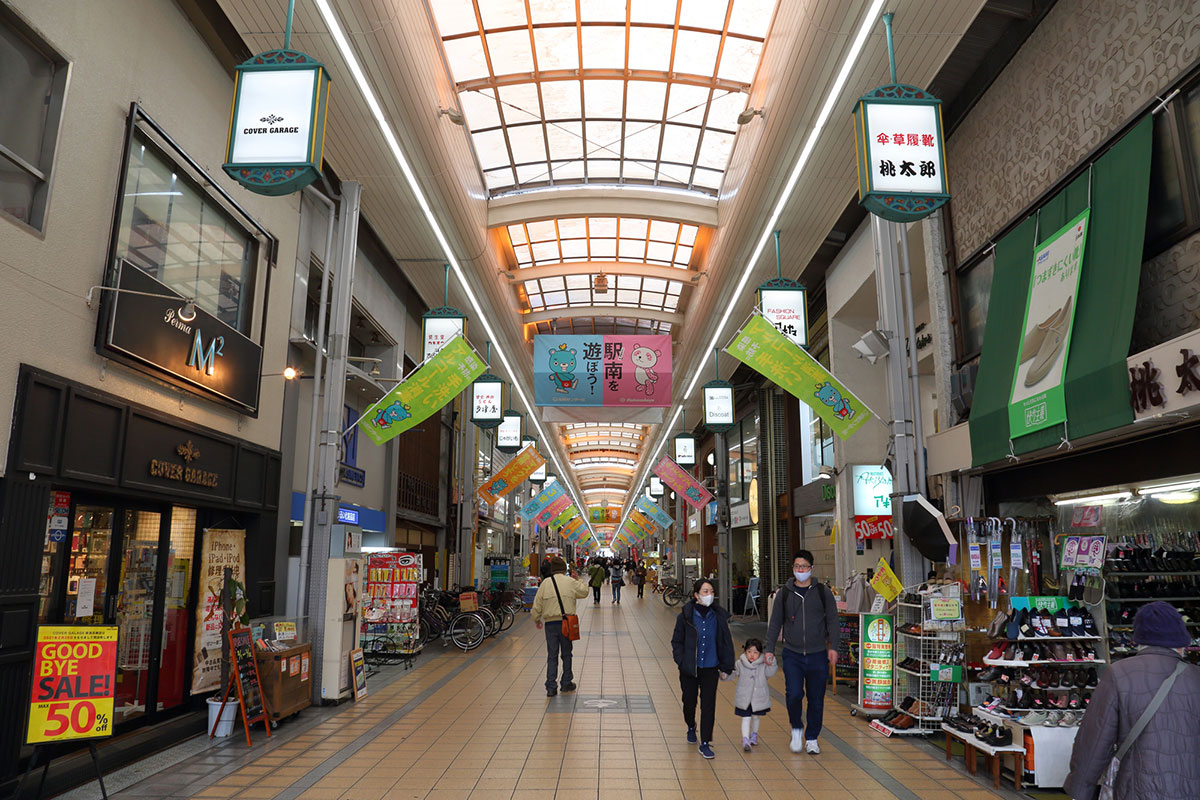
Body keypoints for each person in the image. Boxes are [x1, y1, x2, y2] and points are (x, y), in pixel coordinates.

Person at [1063, 601, 1200, 799]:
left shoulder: (1119, 674)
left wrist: (1080, 789)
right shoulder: (1196, 677)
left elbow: (1094, 740)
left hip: (1137, 789)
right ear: (1181, 641)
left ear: (1139, 639)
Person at [764, 549, 839, 754]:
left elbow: (833, 621)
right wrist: (769, 649)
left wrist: (834, 647)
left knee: (816, 698)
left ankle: (812, 737)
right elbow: (775, 622)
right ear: (793, 569)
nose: (801, 570)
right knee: (794, 694)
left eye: (804, 567)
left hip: (817, 654)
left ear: (812, 569)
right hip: (792, 654)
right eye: (797, 567)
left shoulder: (823, 592)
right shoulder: (785, 593)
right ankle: (797, 727)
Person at [671, 578, 735, 759]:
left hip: (710, 667)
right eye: (705, 592)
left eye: (712, 592)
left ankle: (705, 741)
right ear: (696, 595)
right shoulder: (685, 616)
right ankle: (691, 725)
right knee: (689, 702)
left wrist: (727, 666)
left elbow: (726, 642)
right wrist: (681, 661)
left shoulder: (719, 617)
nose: (709, 595)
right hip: (690, 668)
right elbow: (677, 641)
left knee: (709, 705)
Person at [530, 557, 589, 698]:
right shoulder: (570, 582)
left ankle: (551, 686)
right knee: (567, 654)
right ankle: (566, 682)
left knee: (552, 655)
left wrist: (536, 619)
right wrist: (578, 579)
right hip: (566, 623)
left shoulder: (545, 583)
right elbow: (584, 592)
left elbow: (537, 604)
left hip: (550, 624)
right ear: (564, 569)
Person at [729, 637, 777, 751]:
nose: (752, 655)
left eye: (755, 652)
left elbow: (771, 672)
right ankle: (745, 738)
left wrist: (772, 661)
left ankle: (754, 734)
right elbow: (733, 673)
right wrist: (724, 675)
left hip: (758, 697)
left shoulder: (763, 665)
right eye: (749, 651)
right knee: (745, 717)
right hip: (745, 697)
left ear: (760, 653)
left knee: (755, 717)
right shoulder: (740, 663)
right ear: (745, 651)